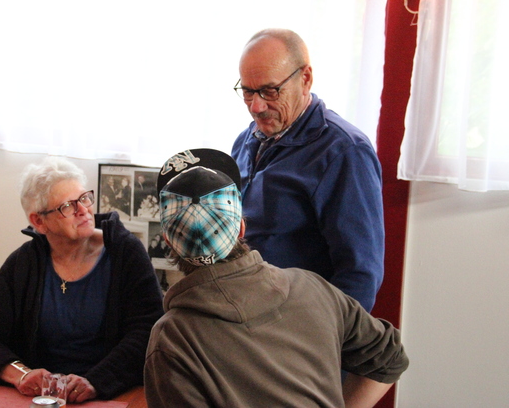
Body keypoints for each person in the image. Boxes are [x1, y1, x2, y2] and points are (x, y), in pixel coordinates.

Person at [144, 149, 408, 408]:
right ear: (241, 228)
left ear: (168, 241)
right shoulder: (314, 287)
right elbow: (389, 358)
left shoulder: (172, 338)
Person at [0, 157, 164, 404]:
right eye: (67, 206)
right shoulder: (23, 263)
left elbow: (148, 333)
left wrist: (96, 382)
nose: (83, 210)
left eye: (84, 198)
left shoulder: (125, 253)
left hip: (111, 394)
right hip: (43, 399)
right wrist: (22, 375)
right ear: (39, 221)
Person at [231, 28, 384, 312]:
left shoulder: (345, 152)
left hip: (300, 328)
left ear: (305, 79)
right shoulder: (246, 140)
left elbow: (360, 275)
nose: (257, 106)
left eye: (270, 91)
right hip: (247, 317)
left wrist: (322, 343)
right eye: (248, 92)